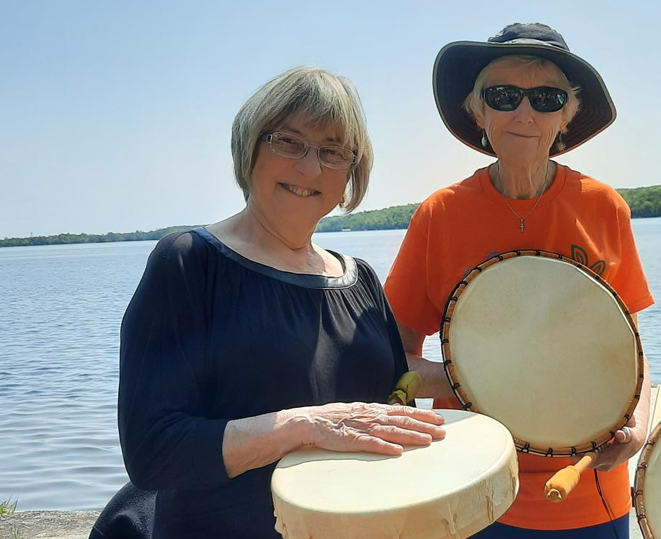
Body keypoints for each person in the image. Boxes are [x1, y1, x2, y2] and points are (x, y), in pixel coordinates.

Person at [92, 66, 446, 539]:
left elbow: (389, 397)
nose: (309, 168)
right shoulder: (190, 264)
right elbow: (153, 450)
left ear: (352, 173)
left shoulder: (358, 278)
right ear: (250, 146)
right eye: (288, 141)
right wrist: (302, 426)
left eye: (333, 151)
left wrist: (484, 381)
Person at [384, 23, 654, 538]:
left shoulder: (604, 207)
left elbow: (630, 344)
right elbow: (393, 357)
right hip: (470, 481)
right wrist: (488, 383)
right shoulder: (439, 215)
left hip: (586, 488)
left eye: (547, 98)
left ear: (566, 118)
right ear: (479, 112)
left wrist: (636, 425)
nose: (524, 113)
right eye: (504, 96)